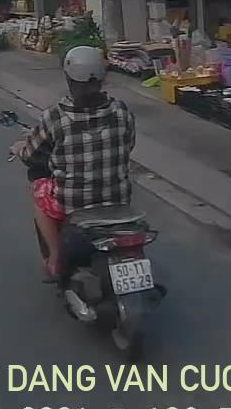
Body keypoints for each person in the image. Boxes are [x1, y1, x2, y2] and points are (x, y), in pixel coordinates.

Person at [9, 46, 136, 281]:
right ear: (102, 78)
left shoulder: (56, 116)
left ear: (68, 79)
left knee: (39, 193)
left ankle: (56, 259)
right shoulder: (120, 110)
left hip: (72, 202)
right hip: (118, 197)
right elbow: (129, 144)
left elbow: (31, 155)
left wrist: (19, 149)